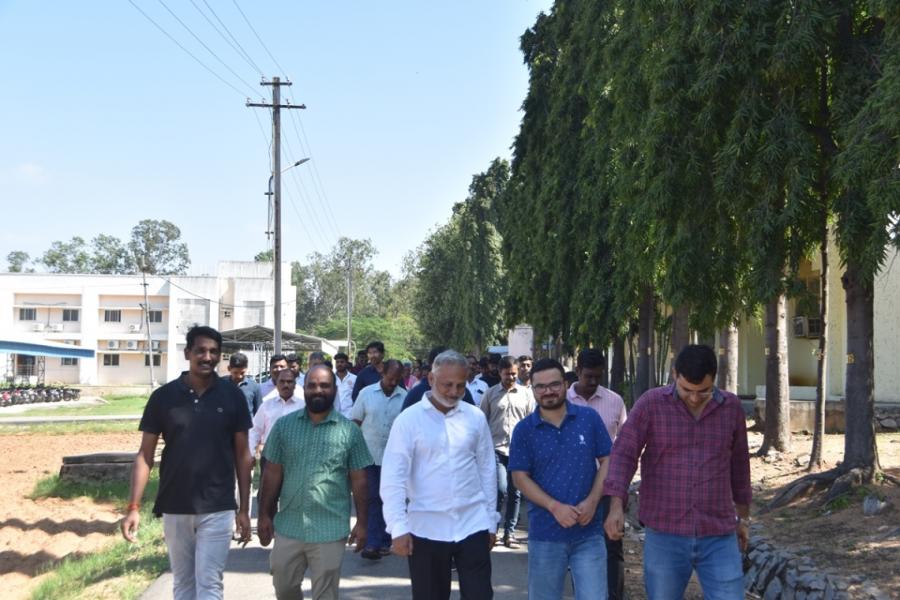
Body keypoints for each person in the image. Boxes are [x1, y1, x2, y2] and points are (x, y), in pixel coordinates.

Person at [604, 344, 752, 600]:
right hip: (665, 532)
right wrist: (616, 506)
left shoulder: (731, 408)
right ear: (675, 375)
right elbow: (624, 454)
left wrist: (743, 518)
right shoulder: (651, 404)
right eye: (686, 390)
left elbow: (739, 465)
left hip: (718, 532)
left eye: (703, 391)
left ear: (714, 379)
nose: (694, 398)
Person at [121, 325, 253, 600]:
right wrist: (133, 507)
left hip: (218, 506)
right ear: (187, 353)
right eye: (201, 351)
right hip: (175, 505)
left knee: (210, 584)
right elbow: (145, 455)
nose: (207, 357)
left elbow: (243, 456)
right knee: (183, 584)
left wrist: (243, 509)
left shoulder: (233, 396)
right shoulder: (163, 397)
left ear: (220, 356)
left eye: (214, 351)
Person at [381, 350, 498, 600]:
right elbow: (393, 477)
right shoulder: (408, 421)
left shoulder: (475, 418)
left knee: (480, 595)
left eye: (460, 385)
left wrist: (491, 521)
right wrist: (397, 527)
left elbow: (487, 469)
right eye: (447, 385)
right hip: (426, 529)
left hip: (473, 524)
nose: (454, 392)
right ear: (431, 379)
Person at [257, 365, 373, 600]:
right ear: (305, 388)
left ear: (334, 390)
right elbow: (271, 475)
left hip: (330, 527)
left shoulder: (350, 431)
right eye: (312, 385)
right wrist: (264, 515)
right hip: (289, 524)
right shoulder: (284, 426)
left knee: (325, 595)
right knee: (284, 586)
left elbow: (360, 481)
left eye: (324, 385)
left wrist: (362, 523)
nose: (318, 390)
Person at [509, 357, 612, 600]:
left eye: (554, 384)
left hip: (589, 532)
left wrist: (593, 500)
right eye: (540, 387)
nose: (548, 391)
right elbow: (519, 478)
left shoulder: (589, 419)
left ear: (566, 384)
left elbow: (608, 460)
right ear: (532, 389)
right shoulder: (524, 430)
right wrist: (554, 507)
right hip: (546, 534)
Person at [568, 348, 628, 600]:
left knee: (612, 544)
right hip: (572, 486)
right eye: (588, 376)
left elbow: (624, 445)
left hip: (608, 485)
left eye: (598, 377)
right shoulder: (563, 401)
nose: (593, 382)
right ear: (578, 371)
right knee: (576, 546)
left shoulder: (615, 401)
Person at [351, 359, 408, 560]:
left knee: (389, 498)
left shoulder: (405, 397)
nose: (393, 382)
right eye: (390, 378)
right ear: (382, 373)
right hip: (368, 455)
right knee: (372, 497)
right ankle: (372, 543)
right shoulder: (366, 394)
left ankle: (385, 540)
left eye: (397, 379)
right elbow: (355, 422)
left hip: (393, 458)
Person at [481, 356, 535, 548]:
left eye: (513, 373)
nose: (511, 377)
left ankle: (509, 533)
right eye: (507, 374)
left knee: (516, 492)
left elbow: (531, 422)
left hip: (519, 450)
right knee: (500, 489)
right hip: (497, 449)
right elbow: (482, 421)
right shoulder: (490, 394)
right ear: (500, 373)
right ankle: (493, 530)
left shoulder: (526, 394)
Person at [248, 368, 305, 484]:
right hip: (269, 458)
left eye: (289, 382)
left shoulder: (303, 406)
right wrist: (252, 453)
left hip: (296, 459)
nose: (286, 385)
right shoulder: (266, 405)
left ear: (295, 384)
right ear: (277, 384)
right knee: (267, 493)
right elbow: (255, 430)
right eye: (282, 381)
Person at [401, 346, 476, 410]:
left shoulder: (464, 394)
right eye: (447, 384)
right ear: (432, 365)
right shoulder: (416, 394)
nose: (454, 392)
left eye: (451, 362)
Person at [228, 352, 261, 417]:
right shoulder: (221, 385)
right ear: (229, 369)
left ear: (247, 369)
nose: (239, 376)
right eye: (235, 373)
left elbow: (259, 412)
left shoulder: (254, 387)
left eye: (242, 373)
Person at [333, 352, 356, 418]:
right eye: (337, 362)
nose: (339, 364)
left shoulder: (354, 378)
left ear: (346, 363)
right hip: (334, 415)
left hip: (349, 415)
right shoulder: (331, 378)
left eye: (342, 362)